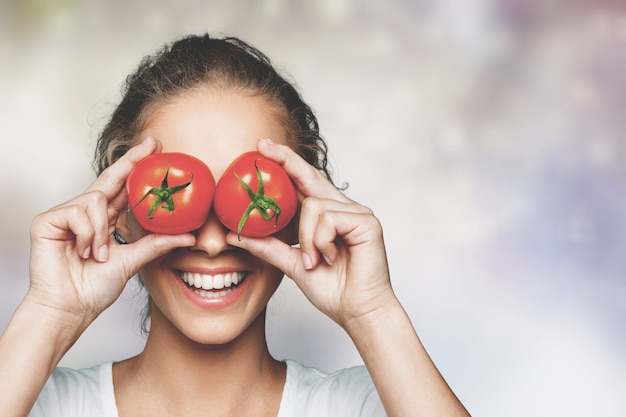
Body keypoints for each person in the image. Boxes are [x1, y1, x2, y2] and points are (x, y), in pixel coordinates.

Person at [0, 34, 470, 417]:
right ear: (121, 211)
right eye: (177, 198)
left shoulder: (372, 405)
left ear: (301, 214)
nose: (209, 242)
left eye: (253, 195)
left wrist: (373, 312)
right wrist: (50, 312)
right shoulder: (36, 402)